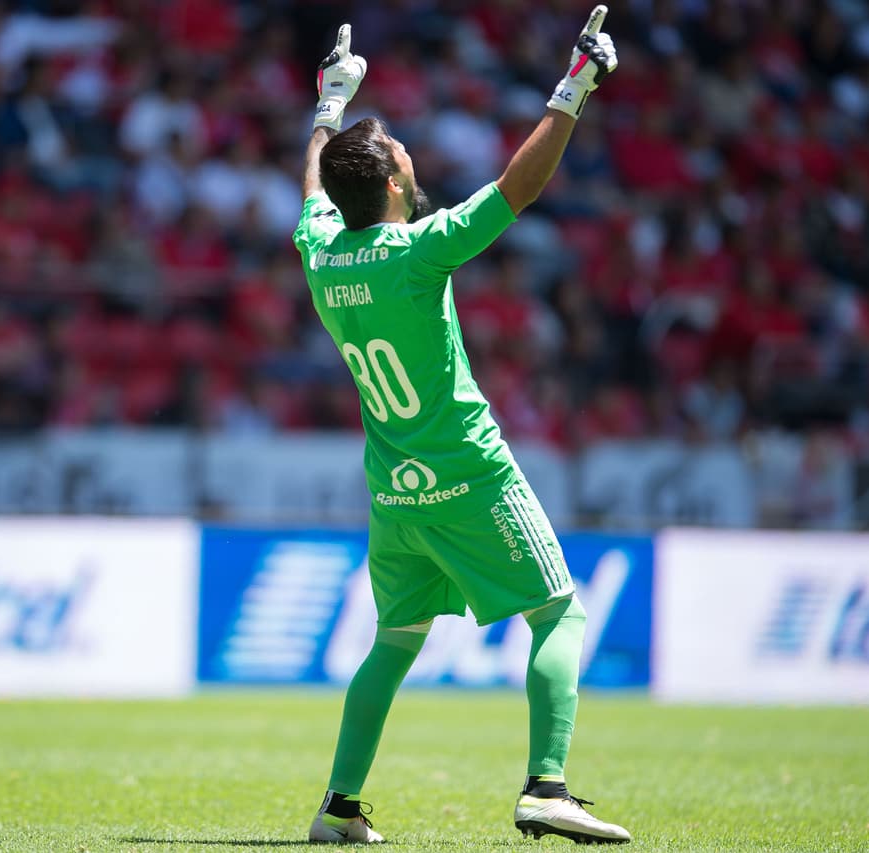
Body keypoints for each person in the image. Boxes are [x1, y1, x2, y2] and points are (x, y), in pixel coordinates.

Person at [293, 9, 631, 846]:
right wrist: (575, 85)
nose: (414, 160)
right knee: (559, 615)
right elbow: (518, 190)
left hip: (393, 487)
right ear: (396, 185)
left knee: (395, 641)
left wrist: (329, 105)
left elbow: (312, 188)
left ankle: (338, 807)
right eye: (405, 156)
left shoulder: (321, 248)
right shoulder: (419, 249)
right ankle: (547, 786)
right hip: (468, 473)